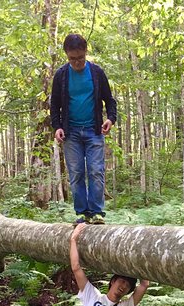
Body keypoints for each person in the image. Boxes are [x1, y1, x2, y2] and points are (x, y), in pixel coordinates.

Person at [50, 34, 117, 225]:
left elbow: (110, 101)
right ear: (67, 56)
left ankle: (96, 212)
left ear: (86, 53)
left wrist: (110, 119)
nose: (77, 62)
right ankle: (82, 213)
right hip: (71, 133)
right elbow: (54, 105)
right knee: (76, 172)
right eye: (72, 59)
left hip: (93, 130)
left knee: (96, 171)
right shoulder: (61, 75)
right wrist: (57, 127)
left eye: (80, 58)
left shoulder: (96, 72)